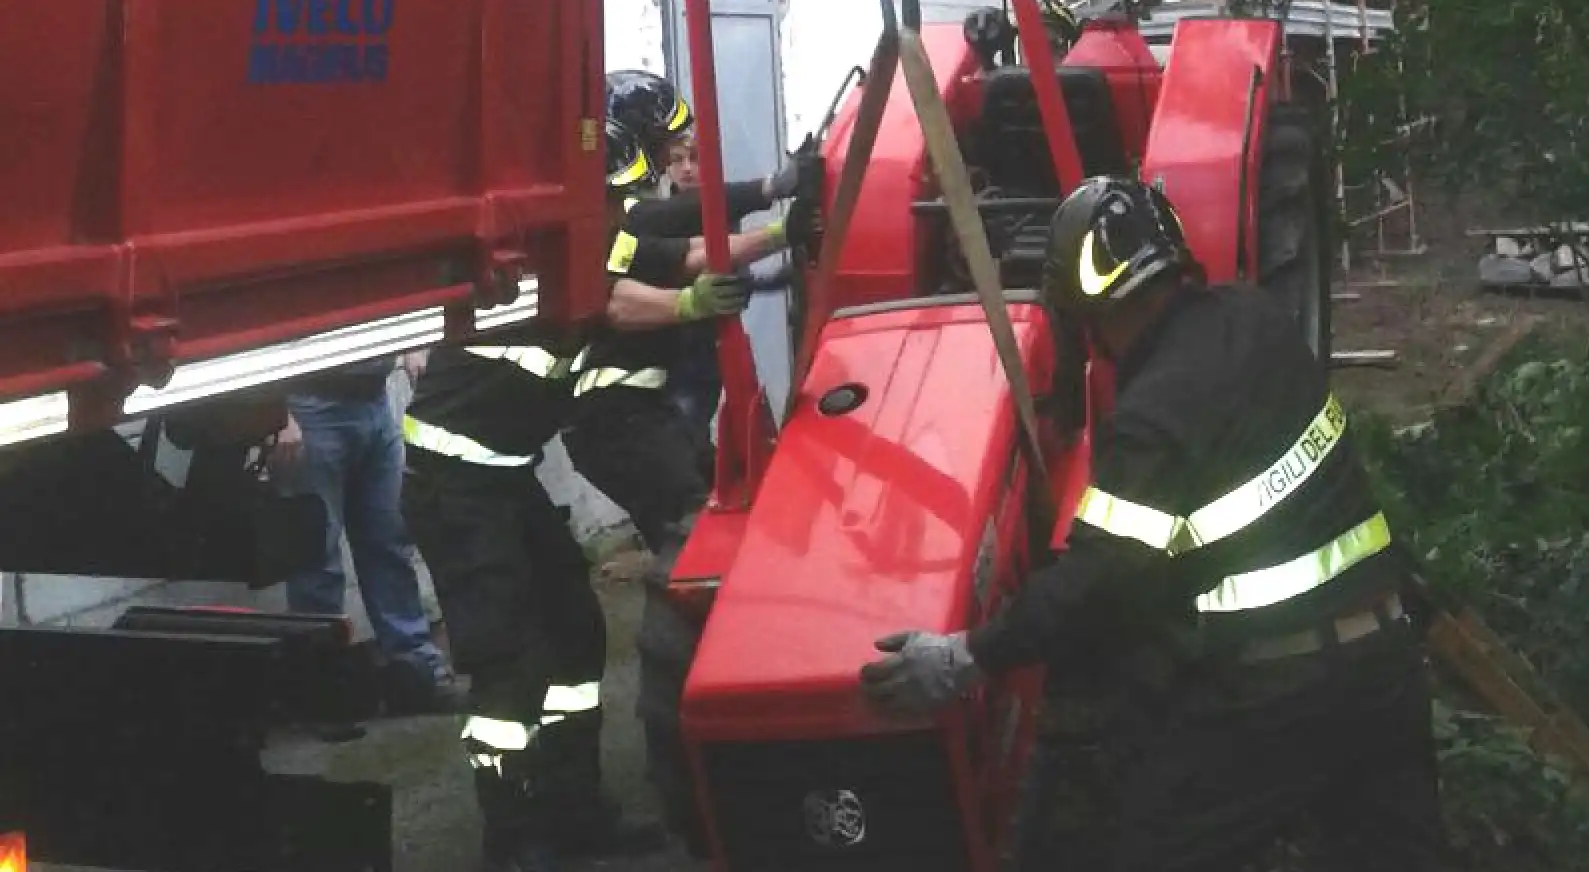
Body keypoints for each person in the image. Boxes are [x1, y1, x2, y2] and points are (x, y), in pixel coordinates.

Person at [858, 175, 1444, 871]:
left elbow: (1101, 579)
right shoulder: (1255, 320)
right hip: (1387, 662)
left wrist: (969, 654)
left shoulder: (1152, 417)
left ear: (1084, 307)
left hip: (1280, 693)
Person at [398, 127, 749, 872]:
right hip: (454, 485)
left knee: (576, 636)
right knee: (509, 668)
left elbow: (667, 252)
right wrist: (689, 303)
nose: (628, 209)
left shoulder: (600, 235)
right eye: (617, 197)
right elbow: (619, 305)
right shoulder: (540, 253)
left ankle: (575, 812)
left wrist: (777, 220)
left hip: (503, 478)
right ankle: (514, 838)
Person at [558, 69, 819, 860]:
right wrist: (774, 190)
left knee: (709, 529)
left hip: (639, 421)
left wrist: (782, 232)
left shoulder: (633, 213)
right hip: (617, 420)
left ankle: (726, 711)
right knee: (698, 552)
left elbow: (697, 244)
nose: (685, 159)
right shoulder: (612, 210)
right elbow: (673, 230)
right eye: (673, 147)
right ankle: (715, 729)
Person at [271, 355, 460, 715]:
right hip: (311, 408)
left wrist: (408, 349)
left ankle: (419, 670)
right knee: (317, 558)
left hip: (374, 401)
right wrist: (279, 414)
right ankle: (324, 688)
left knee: (390, 542)